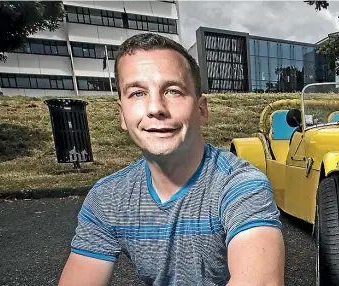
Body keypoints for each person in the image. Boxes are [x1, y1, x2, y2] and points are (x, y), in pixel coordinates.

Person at [59, 33, 285, 286]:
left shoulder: (240, 186)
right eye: (137, 93)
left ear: (201, 110)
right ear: (122, 115)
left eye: (173, 91)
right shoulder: (108, 198)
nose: (155, 107)